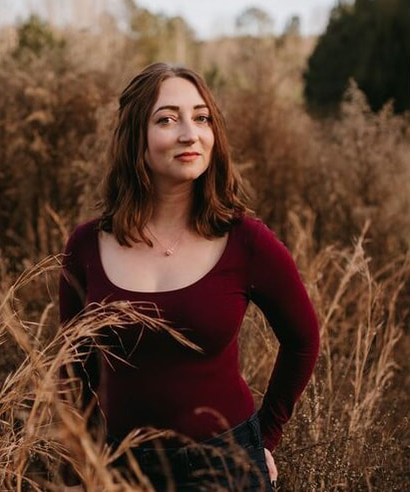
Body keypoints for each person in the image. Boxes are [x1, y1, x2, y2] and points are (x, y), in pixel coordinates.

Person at [59, 62, 320, 491]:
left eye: (201, 118)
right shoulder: (87, 246)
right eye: (166, 119)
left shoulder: (245, 240)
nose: (189, 134)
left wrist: (265, 438)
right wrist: (86, 460)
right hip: (124, 468)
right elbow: (73, 370)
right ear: (133, 137)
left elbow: (303, 339)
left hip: (228, 464)